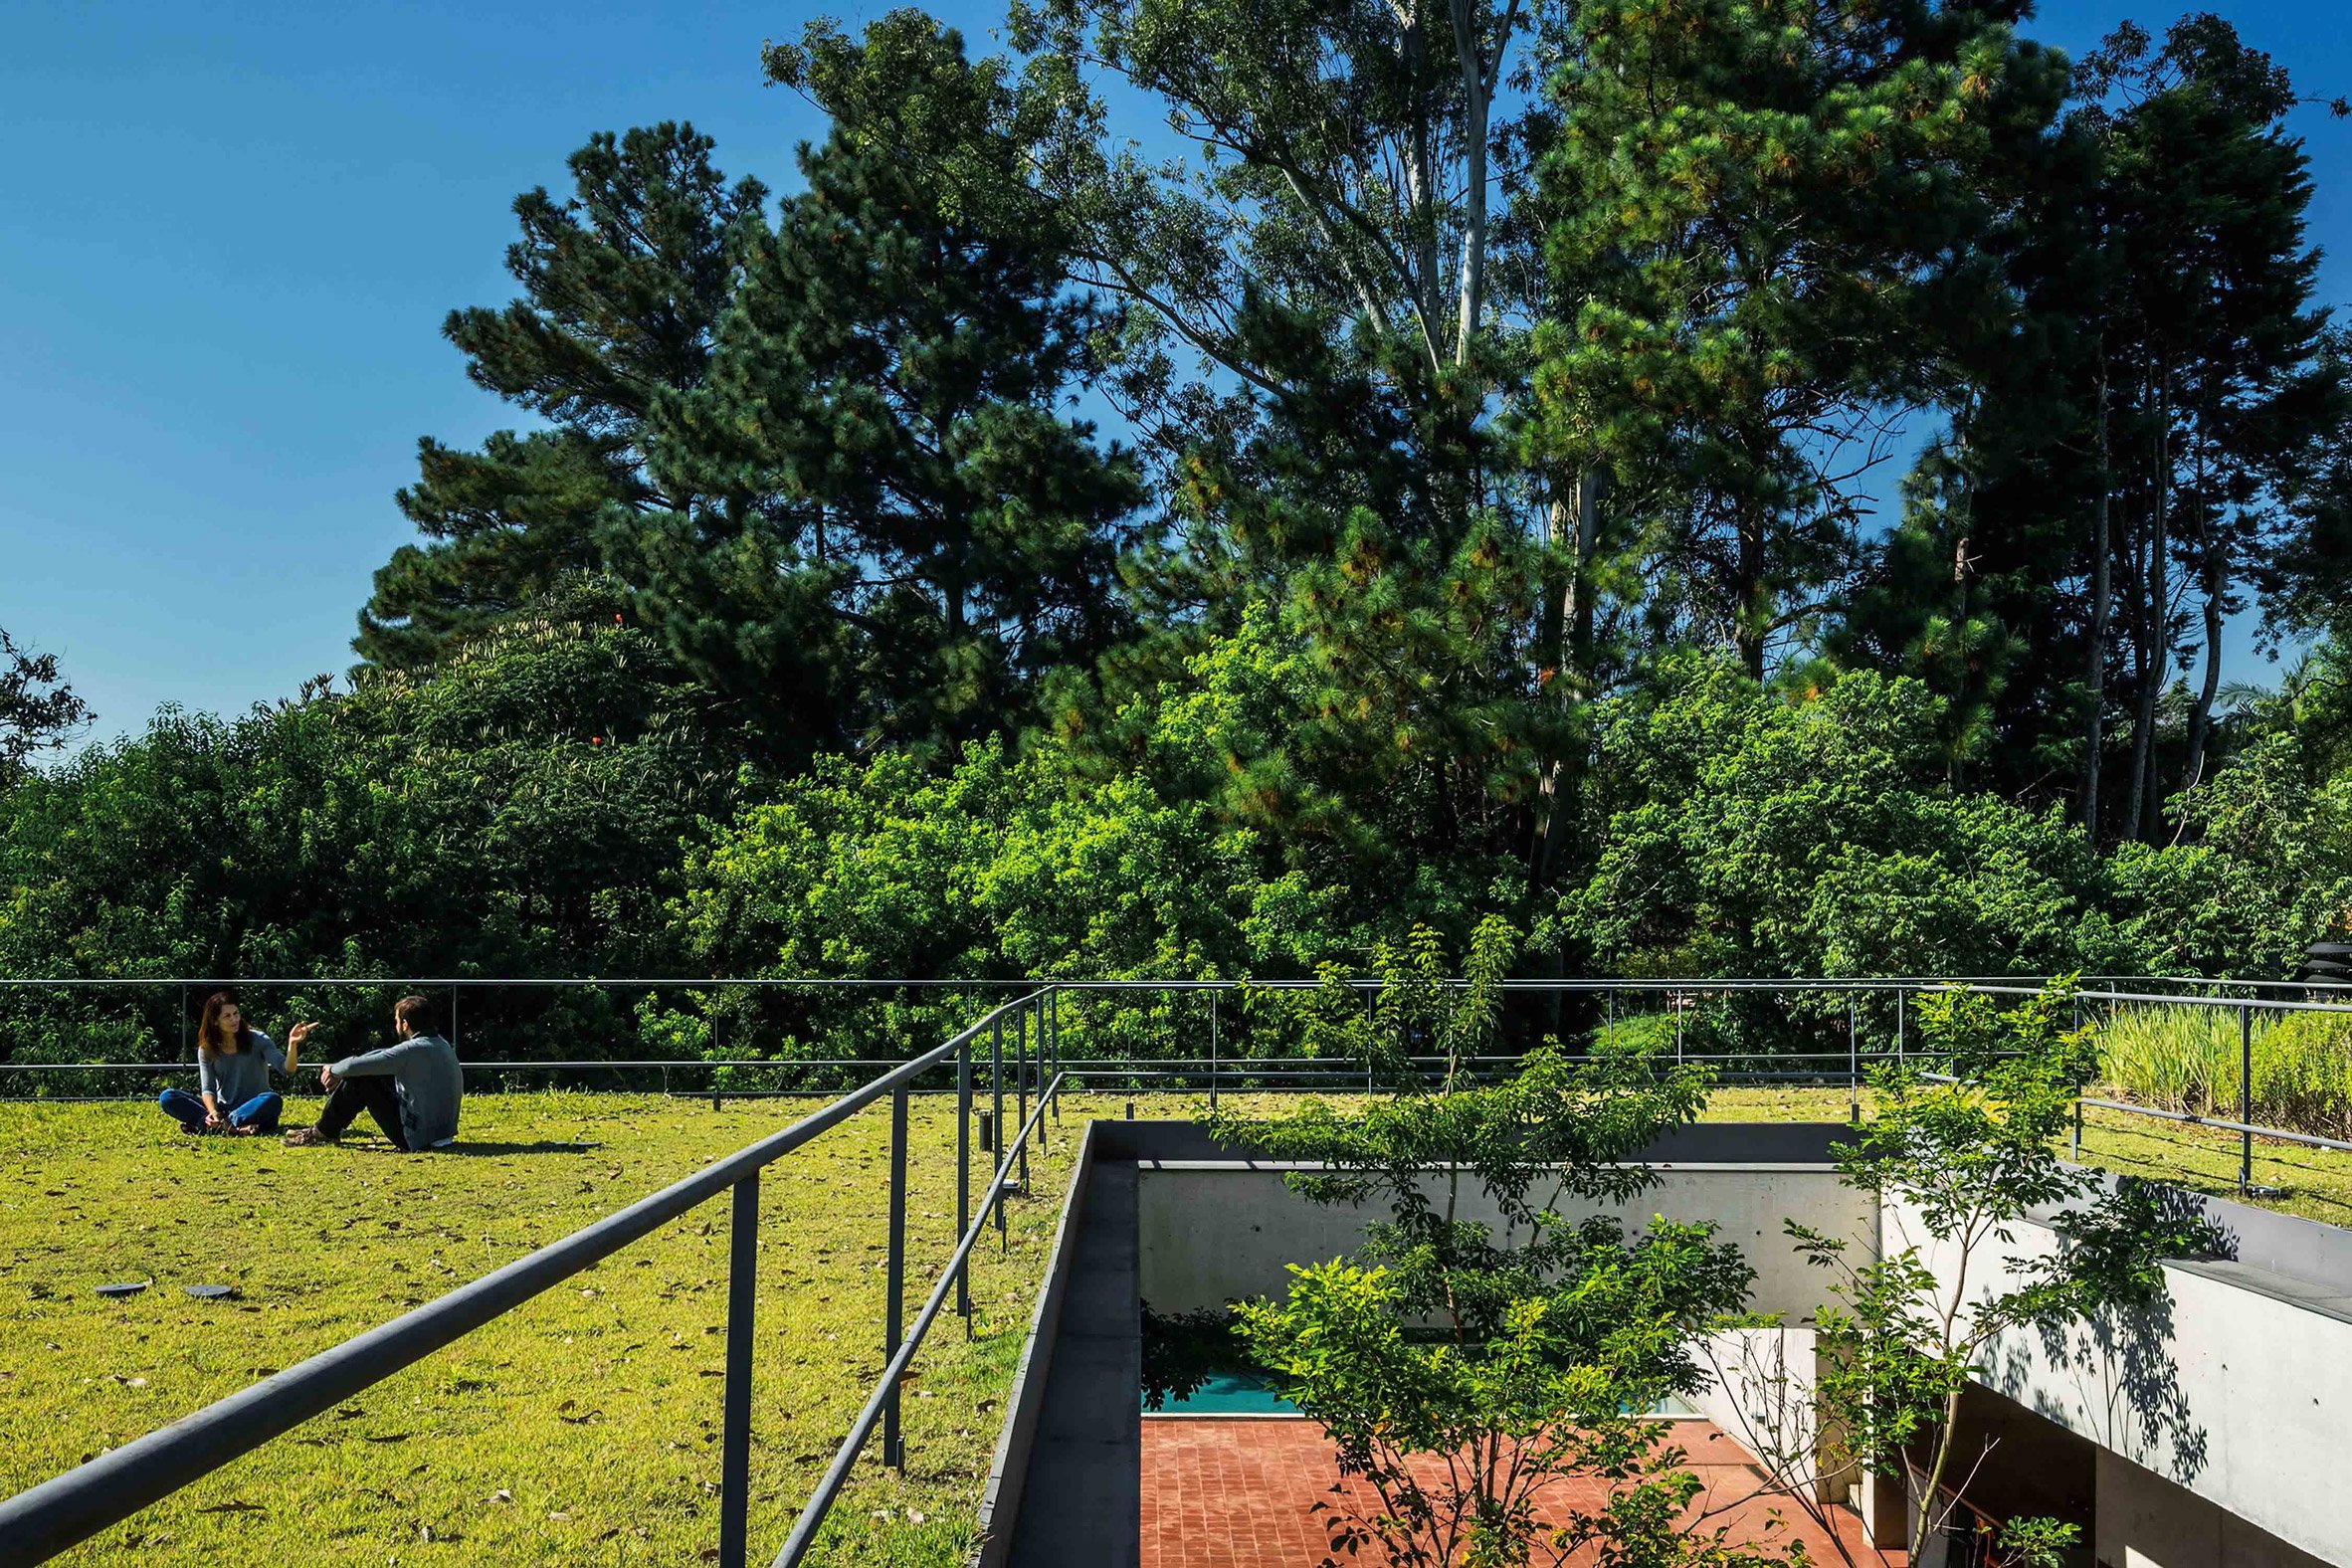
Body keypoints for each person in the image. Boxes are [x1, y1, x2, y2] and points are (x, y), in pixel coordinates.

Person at [284, 994, 463, 1150]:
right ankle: (323, 1129)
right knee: (369, 1072)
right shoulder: (440, 1044)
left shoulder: (410, 1051)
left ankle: (324, 1132)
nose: (396, 1025)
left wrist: (332, 1069)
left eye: (397, 1021)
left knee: (361, 1080)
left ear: (405, 1024)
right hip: (442, 1134)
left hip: (417, 1139)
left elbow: (355, 1067)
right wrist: (341, 1068)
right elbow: (381, 1055)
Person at [159, 991, 318, 1136]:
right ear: (215, 1021)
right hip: (223, 1108)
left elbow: (287, 1070)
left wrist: (292, 1044)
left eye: (236, 1014)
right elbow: (208, 1089)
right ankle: (221, 1126)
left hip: (255, 1108)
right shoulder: (207, 1049)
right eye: (227, 1016)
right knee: (168, 1097)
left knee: (273, 1099)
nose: (234, 1019)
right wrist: (213, 1112)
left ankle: (215, 1127)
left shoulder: (258, 1039)